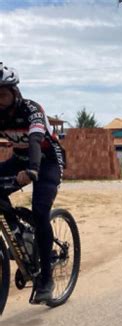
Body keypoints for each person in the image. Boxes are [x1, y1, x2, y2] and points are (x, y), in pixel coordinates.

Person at [0, 63, 65, 303]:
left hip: (46, 161)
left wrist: (33, 170)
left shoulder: (31, 109)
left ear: (15, 92)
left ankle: (46, 279)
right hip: (18, 159)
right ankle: (18, 234)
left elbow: (36, 141)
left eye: (3, 93)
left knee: (40, 213)